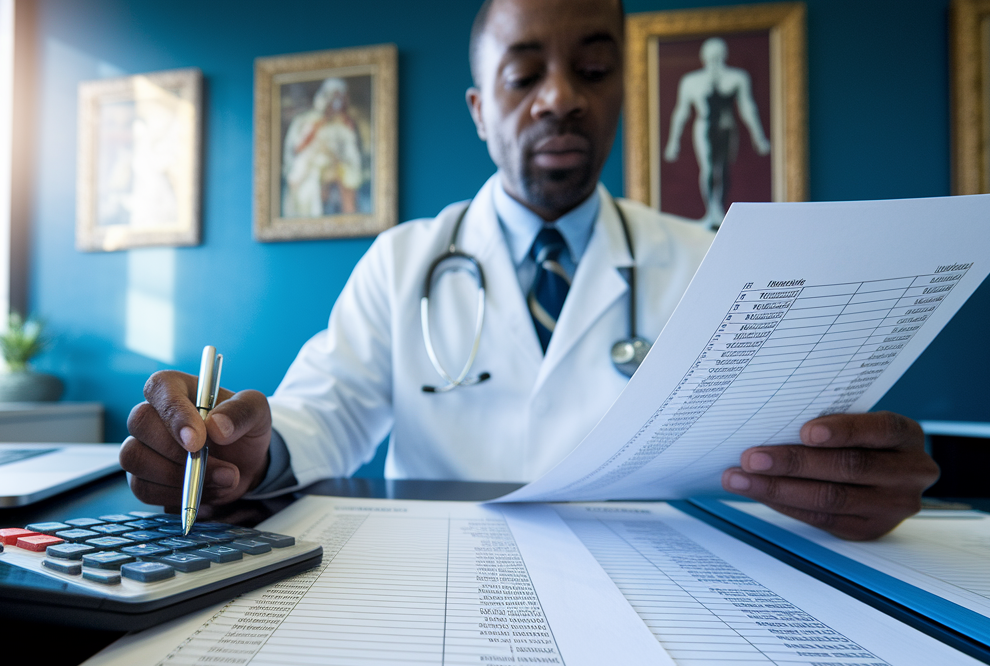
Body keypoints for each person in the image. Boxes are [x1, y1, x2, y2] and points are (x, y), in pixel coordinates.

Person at [119, 0, 939, 541]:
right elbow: (317, 421)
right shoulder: (405, 262)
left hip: (663, 604)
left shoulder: (714, 264)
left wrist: (850, 478)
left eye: (592, 70)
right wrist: (242, 453)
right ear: (480, 110)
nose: (560, 100)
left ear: (623, 91)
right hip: (442, 599)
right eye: (523, 76)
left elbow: (787, 455)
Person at [663, 37, 771, 229]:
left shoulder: (737, 77)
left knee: (724, 169)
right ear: (703, 57)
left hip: (727, 128)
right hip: (704, 127)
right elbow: (681, 112)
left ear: (724, 56)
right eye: (710, 57)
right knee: (709, 169)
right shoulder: (691, 81)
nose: (714, 61)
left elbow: (747, 108)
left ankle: (719, 210)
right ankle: (712, 210)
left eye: (718, 56)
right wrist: (673, 141)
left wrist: (758, 137)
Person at [282, 77, 365, 217]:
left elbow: (352, 157)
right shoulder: (306, 121)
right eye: (333, 97)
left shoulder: (345, 126)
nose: (336, 103)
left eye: (340, 98)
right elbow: (296, 149)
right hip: (310, 171)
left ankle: (350, 218)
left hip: (338, 170)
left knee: (348, 181)